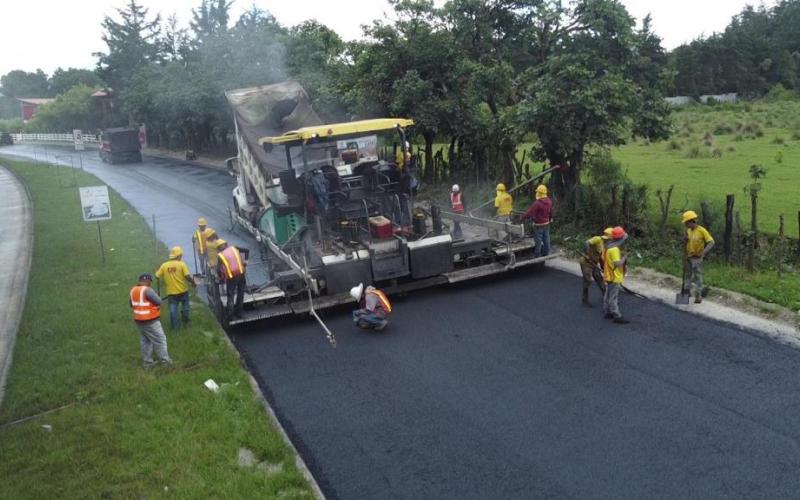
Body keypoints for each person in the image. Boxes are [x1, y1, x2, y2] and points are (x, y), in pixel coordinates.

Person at [130, 273, 171, 366]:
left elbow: (132, 304)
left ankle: (148, 363)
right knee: (160, 340)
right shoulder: (147, 290)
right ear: (147, 280)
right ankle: (165, 362)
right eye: (150, 282)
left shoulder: (133, 290)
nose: (150, 284)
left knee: (145, 341)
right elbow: (159, 301)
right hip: (150, 320)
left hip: (138, 320)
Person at [155, 246, 196, 330]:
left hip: (171, 293)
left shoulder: (164, 265)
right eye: (181, 255)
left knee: (173, 311)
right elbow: (187, 276)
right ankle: (185, 321)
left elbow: (157, 276)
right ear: (178, 255)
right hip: (183, 291)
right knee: (185, 308)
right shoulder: (182, 264)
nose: (181, 257)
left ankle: (175, 328)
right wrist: (193, 282)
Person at [682, 210, 715, 304]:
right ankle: (686, 293)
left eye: (686, 223)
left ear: (692, 221)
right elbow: (687, 243)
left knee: (697, 277)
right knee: (687, 275)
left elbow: (711, 242)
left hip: (697, 258)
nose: (685, 225)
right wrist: (685, 240)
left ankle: (698, 296)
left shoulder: (701, 230)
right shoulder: (688, 231)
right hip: (688, 257)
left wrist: (703, 253)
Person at [602, 226, 630, 324]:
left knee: (607, 295)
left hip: (608, 275)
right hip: (614, 276)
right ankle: (617, 315)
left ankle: (607, 312)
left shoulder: (607, 247)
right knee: (613, 297)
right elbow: (617, 264)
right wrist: (624, 257)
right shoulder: (614, 249)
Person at [579, 227, 613, 306]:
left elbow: (601, 258)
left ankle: (606, 296)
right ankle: (585, 299)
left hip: (594, 263)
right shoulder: (598, 239)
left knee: (599, 279)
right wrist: (587, 254)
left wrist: (603, 269)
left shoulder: (605, 245)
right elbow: (586, 243)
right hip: (586, 263)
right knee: (588, 280)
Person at [216, 239, 247, 319]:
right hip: (241, 274)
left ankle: (230, 315)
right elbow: (246, 250)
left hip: (231, 277)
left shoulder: (220, 255)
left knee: (230, 296)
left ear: (218, 248)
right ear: (226, 244)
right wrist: (245, 261)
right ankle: (239, 313)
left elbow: (218, 269)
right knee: (241, 293)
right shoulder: (234, 248)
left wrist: (221, 278)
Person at [521, 184, 553, 257]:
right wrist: (550, 218)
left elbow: (529, 213)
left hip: (538, 225)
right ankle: (546, 253)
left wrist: (522, 218)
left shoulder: (537, 203)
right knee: (546, 239)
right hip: (546, 224)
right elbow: (551, 211)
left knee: (538, 241)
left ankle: (537, 255)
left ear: (538, 193)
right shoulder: (549, 201)